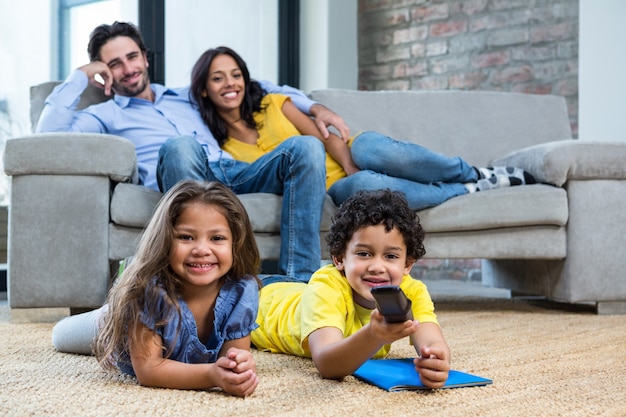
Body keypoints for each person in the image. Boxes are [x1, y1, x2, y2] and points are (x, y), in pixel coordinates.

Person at [36, 22, 350, 281]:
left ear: (146, 58)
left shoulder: (185, 95)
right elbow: (47, 134)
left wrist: (315, 106)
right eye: (115, 64)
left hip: (232, 170)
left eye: (132, 57)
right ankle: (205, 281)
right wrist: (80, 75)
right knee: (180, 145)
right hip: (182, 173)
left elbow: (260, 87)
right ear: (105, 72)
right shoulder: (104, 114)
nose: (128, 69)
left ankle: (299, 281)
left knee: (305, 146)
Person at [190, 46, 536, 212]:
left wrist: (352, 163)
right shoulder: (222, 148)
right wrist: (352, 177)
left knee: (370, 149)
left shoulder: (275, 104)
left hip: (349, 153)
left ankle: (470, 171)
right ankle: (468, 189)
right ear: (205, 89)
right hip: (332, 186)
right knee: (367, 187)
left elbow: (320, 134)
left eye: (236, 74)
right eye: (218, 78)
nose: (230, 84)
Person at [52, 180, 261, 397]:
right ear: (165, 241)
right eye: (186, 237)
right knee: (60, 335)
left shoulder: (242, 291)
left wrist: (237, 368)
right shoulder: (146, 289)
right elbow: (148, 370)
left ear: (236, 244)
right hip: (114, 322)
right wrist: (212, 375)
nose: (201, 249)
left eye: (217, 238)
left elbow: (231, 359)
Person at [250, 189, 451, 389]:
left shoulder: (412, 291)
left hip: (296, 289)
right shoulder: (327, 284)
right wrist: (373, 335)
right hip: (258, 296)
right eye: (364, 253)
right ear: (339, 258)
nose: (377, 267)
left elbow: (433, 341)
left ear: (407, 264)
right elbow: (327, 364)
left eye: (390, 256)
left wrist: (437, 360)